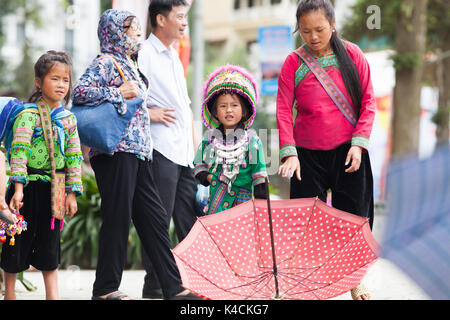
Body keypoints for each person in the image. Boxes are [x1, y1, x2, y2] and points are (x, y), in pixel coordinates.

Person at [72, 9, 200, 300]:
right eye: (131, 29)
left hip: (139, 153)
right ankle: (105, 289)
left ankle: (173, 286)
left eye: (137, 29)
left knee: (154, 219)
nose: (137, 34)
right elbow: (79, 92)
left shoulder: (129, 63)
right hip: (115, 151)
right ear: (115, 32)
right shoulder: (105, 62)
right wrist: (119, 93)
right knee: (118, 216)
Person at [276, 0, 376, 300]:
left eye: (320, 29)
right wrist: (289, 152)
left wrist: (359, 145)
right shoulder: (293, 62)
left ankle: (354, 280)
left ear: (333, 25)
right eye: (305, 31)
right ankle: (302, 283)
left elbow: (368, 103)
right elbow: (283, 109)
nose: (313, 37)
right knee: (305, 222)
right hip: (306, 155)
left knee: (353, 217)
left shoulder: (353, 55)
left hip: (349, 151)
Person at [1, 51, 83, 300]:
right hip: (25, 188)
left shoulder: (68, 120)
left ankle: (52, 295)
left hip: (55, 189)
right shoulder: (28, 115)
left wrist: (71, 193)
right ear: (39, 82)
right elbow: (19, 152)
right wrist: (17, 189)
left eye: (65, 80)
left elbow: (74, 157)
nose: (61, 85)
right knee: (16, 240)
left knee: (50, 242)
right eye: (54, 79)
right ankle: (11, 293)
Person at [137, 0, 198, 299]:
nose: (185, 22)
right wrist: (150, 113)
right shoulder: (144, 53)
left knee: (187, 218)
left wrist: (194, 146)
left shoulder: (174, 54)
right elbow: (129, 96)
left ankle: (190, 280)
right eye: (180, 17)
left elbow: (183, 105)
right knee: (158, 220)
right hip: (160, 149)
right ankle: (155, 283)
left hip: (183, 152)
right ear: (161, 19)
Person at [194, 65, 268, 215]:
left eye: (234, 105)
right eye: (223, 106)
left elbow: (260, 178)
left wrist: (263, 212)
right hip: (215, 209)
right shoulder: (209, 140)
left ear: (244, 110)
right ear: (215, 111)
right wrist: (210, 178)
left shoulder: (252, 141)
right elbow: (198, 167)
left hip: (243, 211)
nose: (229, 110)